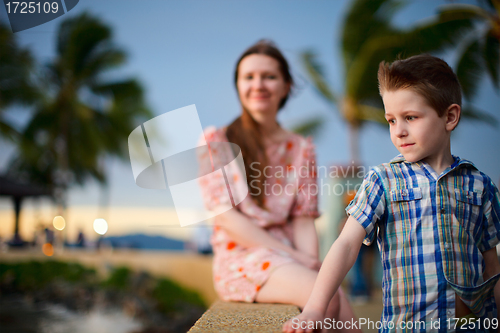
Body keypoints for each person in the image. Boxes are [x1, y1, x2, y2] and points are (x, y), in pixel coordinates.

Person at [283, 54, 500, 333]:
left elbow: (491, 265)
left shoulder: (479, 185)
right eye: (391, 120)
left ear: (449, 116)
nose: (399, 131)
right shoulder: (383, 180)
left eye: (410, 117)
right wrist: (314, 310)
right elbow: (346, 245)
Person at [199, 40, 359, 331]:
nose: (258, 84)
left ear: (286, 86)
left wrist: (311, 261)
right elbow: (226, 217)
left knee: (343, 310)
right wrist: (297, 258)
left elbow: (303, 218)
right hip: (242, 257)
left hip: (291, 259)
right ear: (238, 86)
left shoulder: (301, 148)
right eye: (248, 77)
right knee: (324, 298)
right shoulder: (215, 141)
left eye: (269, 76)